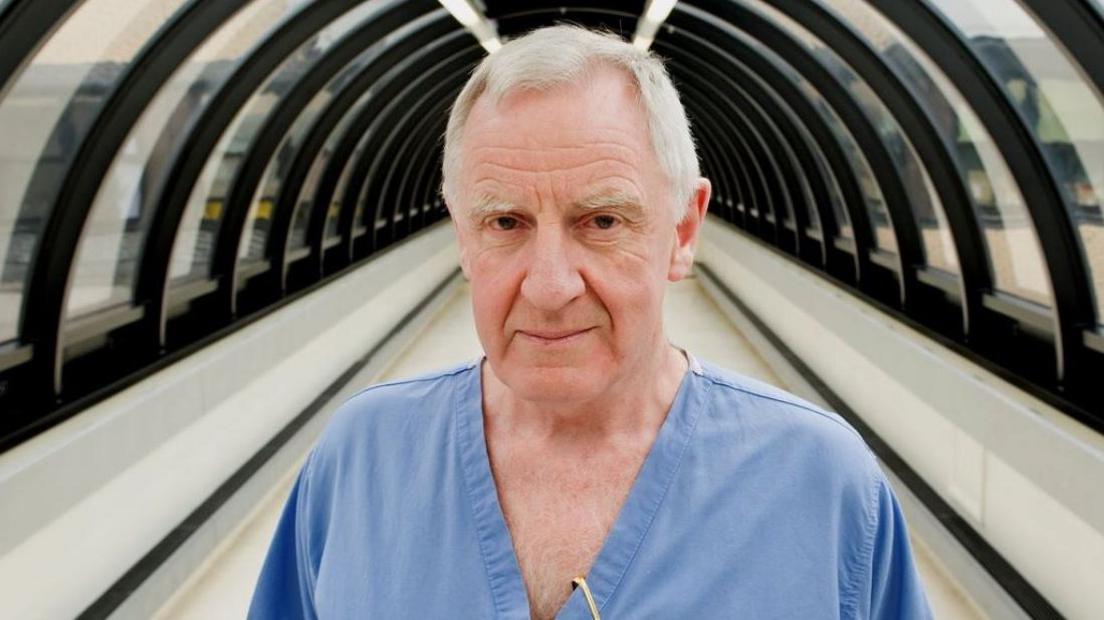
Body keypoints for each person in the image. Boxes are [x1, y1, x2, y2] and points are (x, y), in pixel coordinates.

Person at [249, 25, 931, 619]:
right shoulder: (361, 462)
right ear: (462, 237)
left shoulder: (819, 484)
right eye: (505, 222)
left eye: (602, 221)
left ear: (684, 230)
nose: (549, 288)